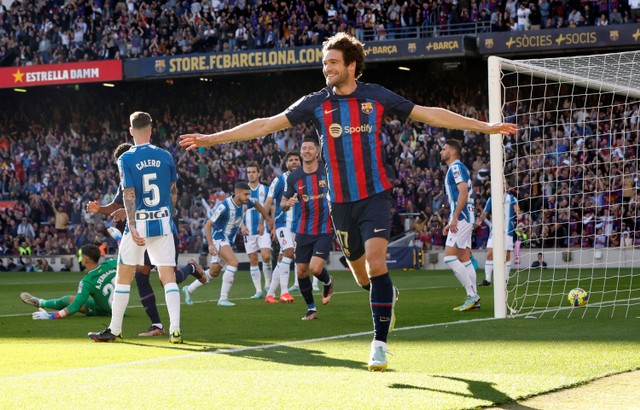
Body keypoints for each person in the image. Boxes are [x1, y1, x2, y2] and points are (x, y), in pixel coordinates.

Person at [179, 32, 516, 371]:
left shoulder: (376, 96)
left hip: (374, 196)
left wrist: (485, 128)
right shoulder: (316, 102)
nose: (327, 68)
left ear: (352, 65)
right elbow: (267, 124)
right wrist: (212, 139)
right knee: (362, 277)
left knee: (375, 261)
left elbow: (429, 114)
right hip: (339, 203)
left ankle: (379, 344)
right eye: (325, 63)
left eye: (333, 63)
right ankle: (386, 294)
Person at [86, 143, 206, 337]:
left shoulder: (130, 168)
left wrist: (123, 213)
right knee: (145, 275)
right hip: (160, 226)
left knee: (162, 277)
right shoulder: (157, 166)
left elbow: (137, 201)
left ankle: (191, 269)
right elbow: (131, 201)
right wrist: (102, 209)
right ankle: (161, 325)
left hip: (146, 228)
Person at [88, 111, 183, 344]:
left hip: (138, 224)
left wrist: (131, 223)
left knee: (124, 276)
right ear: (151, 129)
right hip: (162, 222)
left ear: (131, 131)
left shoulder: (126, 159)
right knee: (168, 277)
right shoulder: (166, 156)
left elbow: (129, 192)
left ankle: (115, 329)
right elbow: (173, 190)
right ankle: (175, 331)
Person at [182, 181, 274, 306]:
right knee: (233, 263)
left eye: (249, 194)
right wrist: (210, 244)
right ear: (237, 194)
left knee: (214, 272)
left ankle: (188, 289)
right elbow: (208, 226)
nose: (248, 197)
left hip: (228, 241)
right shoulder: (224, 206)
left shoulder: (246, 202)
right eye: (245, 194)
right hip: (219, 238)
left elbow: (257, 203)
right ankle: (222, 298)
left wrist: (267, 219)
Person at [281, 138, 334, 320]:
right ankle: (311, 309)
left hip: (325, 228)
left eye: (311, 148)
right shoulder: (294, 177)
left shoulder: (327, 171)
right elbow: (282, 203)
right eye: (304, 148)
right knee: (302, 271)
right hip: (303, 229)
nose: (307, 151)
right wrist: (287, 203)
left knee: (315, 268)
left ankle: (328, 281)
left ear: (317, 151)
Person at [20, 244, 116, 320]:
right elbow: (126, 257)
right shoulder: (111, 263)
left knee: (73, 302)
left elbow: (75, 307)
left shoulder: (87, 281)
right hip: (118, 309)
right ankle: (41, 302)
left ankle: (41, 303)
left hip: (105, 311)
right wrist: (118, 238)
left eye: (81, 256)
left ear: (85, 259)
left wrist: (51, 316)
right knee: (68, 299)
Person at [441, 139, 481, 312]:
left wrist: (455, 218)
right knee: (464, 258)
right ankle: (475, 300)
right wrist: (451, 219)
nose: (441, 152)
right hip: (465, 216)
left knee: (449, 257)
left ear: (452, 151)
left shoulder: (456, 167)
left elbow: (463, 192)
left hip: (463, 216)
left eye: (444, 149)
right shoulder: (457, 168)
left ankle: (472, 295)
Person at [263, 151, 301, 303]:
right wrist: (266, 223)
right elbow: (268, 203)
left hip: (298, 225)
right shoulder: (279, 180)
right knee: (289, 252)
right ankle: (284, 292)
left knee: (282, 259)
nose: (293, 162)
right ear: (286, 164)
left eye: (296, 159)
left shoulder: (305, 179)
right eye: (290, 160)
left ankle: (270, 294)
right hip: (281, 223)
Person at [475, 188, 520, 286]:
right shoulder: (492, 198)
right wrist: (480, 219)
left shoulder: (512, 198)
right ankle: (487, 280)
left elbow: (517, 211)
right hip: (495, 230)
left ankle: (505, 279)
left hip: (508, 230)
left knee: (506, 254)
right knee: (490, 253)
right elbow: (485, 212)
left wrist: (519, 215)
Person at [243, 162, 274, 299]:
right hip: (248, 230)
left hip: (264, 229)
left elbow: (272, 207)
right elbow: (236, 211)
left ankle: (268, 284)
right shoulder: (241, 191)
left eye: (253, 172)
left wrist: (272, 224)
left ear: (259, 173)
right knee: (253, 259)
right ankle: (258, 290)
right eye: (249, 172)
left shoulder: (266, 189)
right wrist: (241, 226)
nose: (251, 174)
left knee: (266, 255)